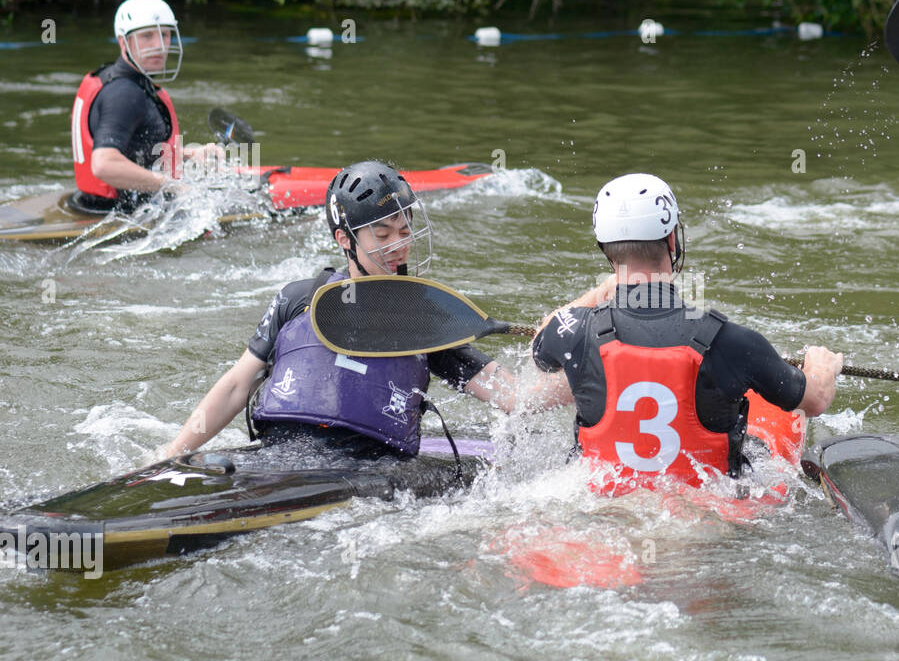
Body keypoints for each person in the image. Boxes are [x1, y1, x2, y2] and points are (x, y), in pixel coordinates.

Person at [165, 160, 563, 460]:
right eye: (383, 233)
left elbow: (516, 397)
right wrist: (170, 456)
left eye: (405, 231)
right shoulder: (298, 299)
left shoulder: (424, 321)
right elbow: (236, 387)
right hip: (276, 455)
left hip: (368, 470)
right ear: (344, 239)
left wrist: (589, 364)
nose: (399, 245)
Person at [531, 172, 843, 493]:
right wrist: (821, 367)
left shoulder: (574, 331)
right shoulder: (731, 342)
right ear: (671, 240)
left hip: (598, 503)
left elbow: (540, 346)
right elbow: (815, 401)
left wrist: (607, 288)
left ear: (605, 249)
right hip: (705, 514)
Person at [70, 0, 212, 213]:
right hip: (117, 213)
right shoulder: (124, 94)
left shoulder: (122, 80)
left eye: (164, 35)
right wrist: (174, 187)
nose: (159, 45)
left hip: (91, 204)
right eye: (146, 36)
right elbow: (104, 164)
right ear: (123, 42)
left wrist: (190, 153)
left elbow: (134, 148)